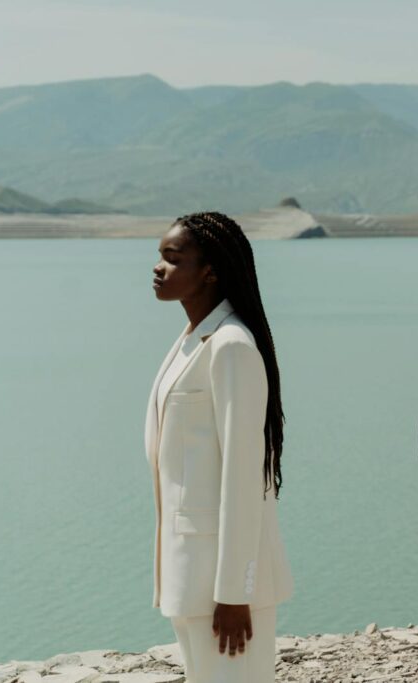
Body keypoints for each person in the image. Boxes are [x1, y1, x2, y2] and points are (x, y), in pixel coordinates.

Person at [144, 211, 293, 683]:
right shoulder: (191, 339)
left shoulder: (230, 345)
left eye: (173, 258)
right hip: (188, 573)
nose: (159, 267)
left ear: (209, 271)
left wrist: (234, 592)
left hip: (222, 586)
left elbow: (244, 476)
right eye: (160, 257)